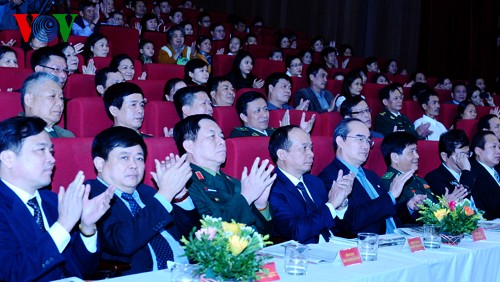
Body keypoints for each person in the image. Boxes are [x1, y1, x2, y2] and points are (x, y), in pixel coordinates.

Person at [0, 116, 114, 281]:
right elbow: (12, 273)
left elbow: (85, 269)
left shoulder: (52, 201)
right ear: (8, 159)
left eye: (51, 151)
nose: (52, 159)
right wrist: (63, 225)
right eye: (41, 150)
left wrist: (87, 228)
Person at [87, 126, 199, 275]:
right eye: (124, 157)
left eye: (139, 158)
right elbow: (122, 242)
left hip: (186, 273)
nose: (134, 165)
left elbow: (196, 237)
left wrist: (180, 194)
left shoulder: (148, 193)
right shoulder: (90, 195)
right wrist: (165, 194)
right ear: (100, 164)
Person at [318, 118, 425, 237]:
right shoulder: (331, 177)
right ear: (340, 141)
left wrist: (408, 207)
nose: (366, 146)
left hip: (396, 239)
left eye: (368, 140)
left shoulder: (370, 176)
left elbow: (386, 211)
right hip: (368, 245)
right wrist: (390, 195)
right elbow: (349, 222)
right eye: (360, 139)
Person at [173, 114, 276, 234]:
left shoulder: (235, 182)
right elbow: (207, 235)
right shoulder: (184, 185)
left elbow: (264, 235)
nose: (222, 141)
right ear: (189, 146)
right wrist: (246, 197)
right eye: (212, 136)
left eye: (222, 136)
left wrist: (261, 205)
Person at [268, 125, 353, 244]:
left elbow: (331, 221)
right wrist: (332, 204)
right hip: (302, 254)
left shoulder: (315, 182)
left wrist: (340, 204)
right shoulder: (271, 188)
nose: (311, 154)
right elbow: (296, 232)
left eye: (311, 148)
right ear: (282, 154)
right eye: (303, 148)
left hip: (333, 246)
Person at [380, 132, 435, 205]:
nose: (417, 156)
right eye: (411, 152)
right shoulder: (388, 183)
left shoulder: (419, 179)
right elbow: (399, 212)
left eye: (416, 151)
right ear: (395, 157)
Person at [230, 91, 315, 138]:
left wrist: (304, 133)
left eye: (266, 109)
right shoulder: (239, 134)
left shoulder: (274, 131)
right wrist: (283, 136)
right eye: (257, 111)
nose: (264, 115)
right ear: (244, 117)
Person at [21, 72, 75, 138]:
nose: (60, 103)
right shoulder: (18, 134)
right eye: (52, 96)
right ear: (29, 100)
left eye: (61, 98)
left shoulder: (68, 136)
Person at [425, 129, 475, 198]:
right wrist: (466, 172)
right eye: (461, 154)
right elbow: (461, 203)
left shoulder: (474, 170)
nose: (466, 158)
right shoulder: (434, 178)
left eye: (468, 153)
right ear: (444, 156)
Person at [469, 130, 500, 219]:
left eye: (499, 147)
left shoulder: (497, 169)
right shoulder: (472, 173)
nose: (498, 151)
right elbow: (492, 206)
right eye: (493, 147)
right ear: (478, 151)